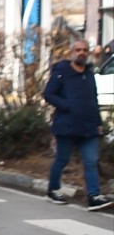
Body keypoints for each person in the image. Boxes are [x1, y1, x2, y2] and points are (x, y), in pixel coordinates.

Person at [44, 39, 113, 211]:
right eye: (78, 50)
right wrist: (67, 106)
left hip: (89, 126)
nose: (81, 53)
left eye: (84, 50)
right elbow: (48, 94)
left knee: (91, 161)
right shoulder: (61, 71)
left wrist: (98, 122)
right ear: (72, 52)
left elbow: (93, 99)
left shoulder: (89, 73)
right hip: (67, 125)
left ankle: (93, 196)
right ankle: (53, 189)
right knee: (62, 159)